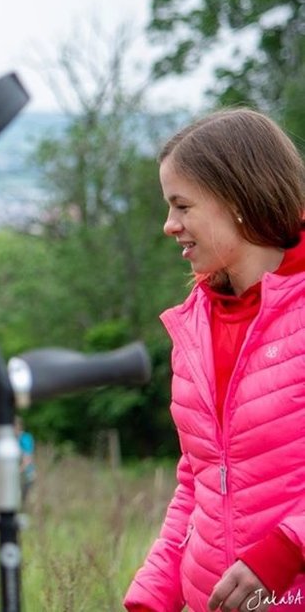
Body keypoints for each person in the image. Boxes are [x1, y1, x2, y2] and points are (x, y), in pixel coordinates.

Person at [125, 109, 305, 612]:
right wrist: (152, 596)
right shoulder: (194, 328)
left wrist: (286, 549)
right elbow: (198, 481)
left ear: (236, 200)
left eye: (182, 206)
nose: (169, 226)